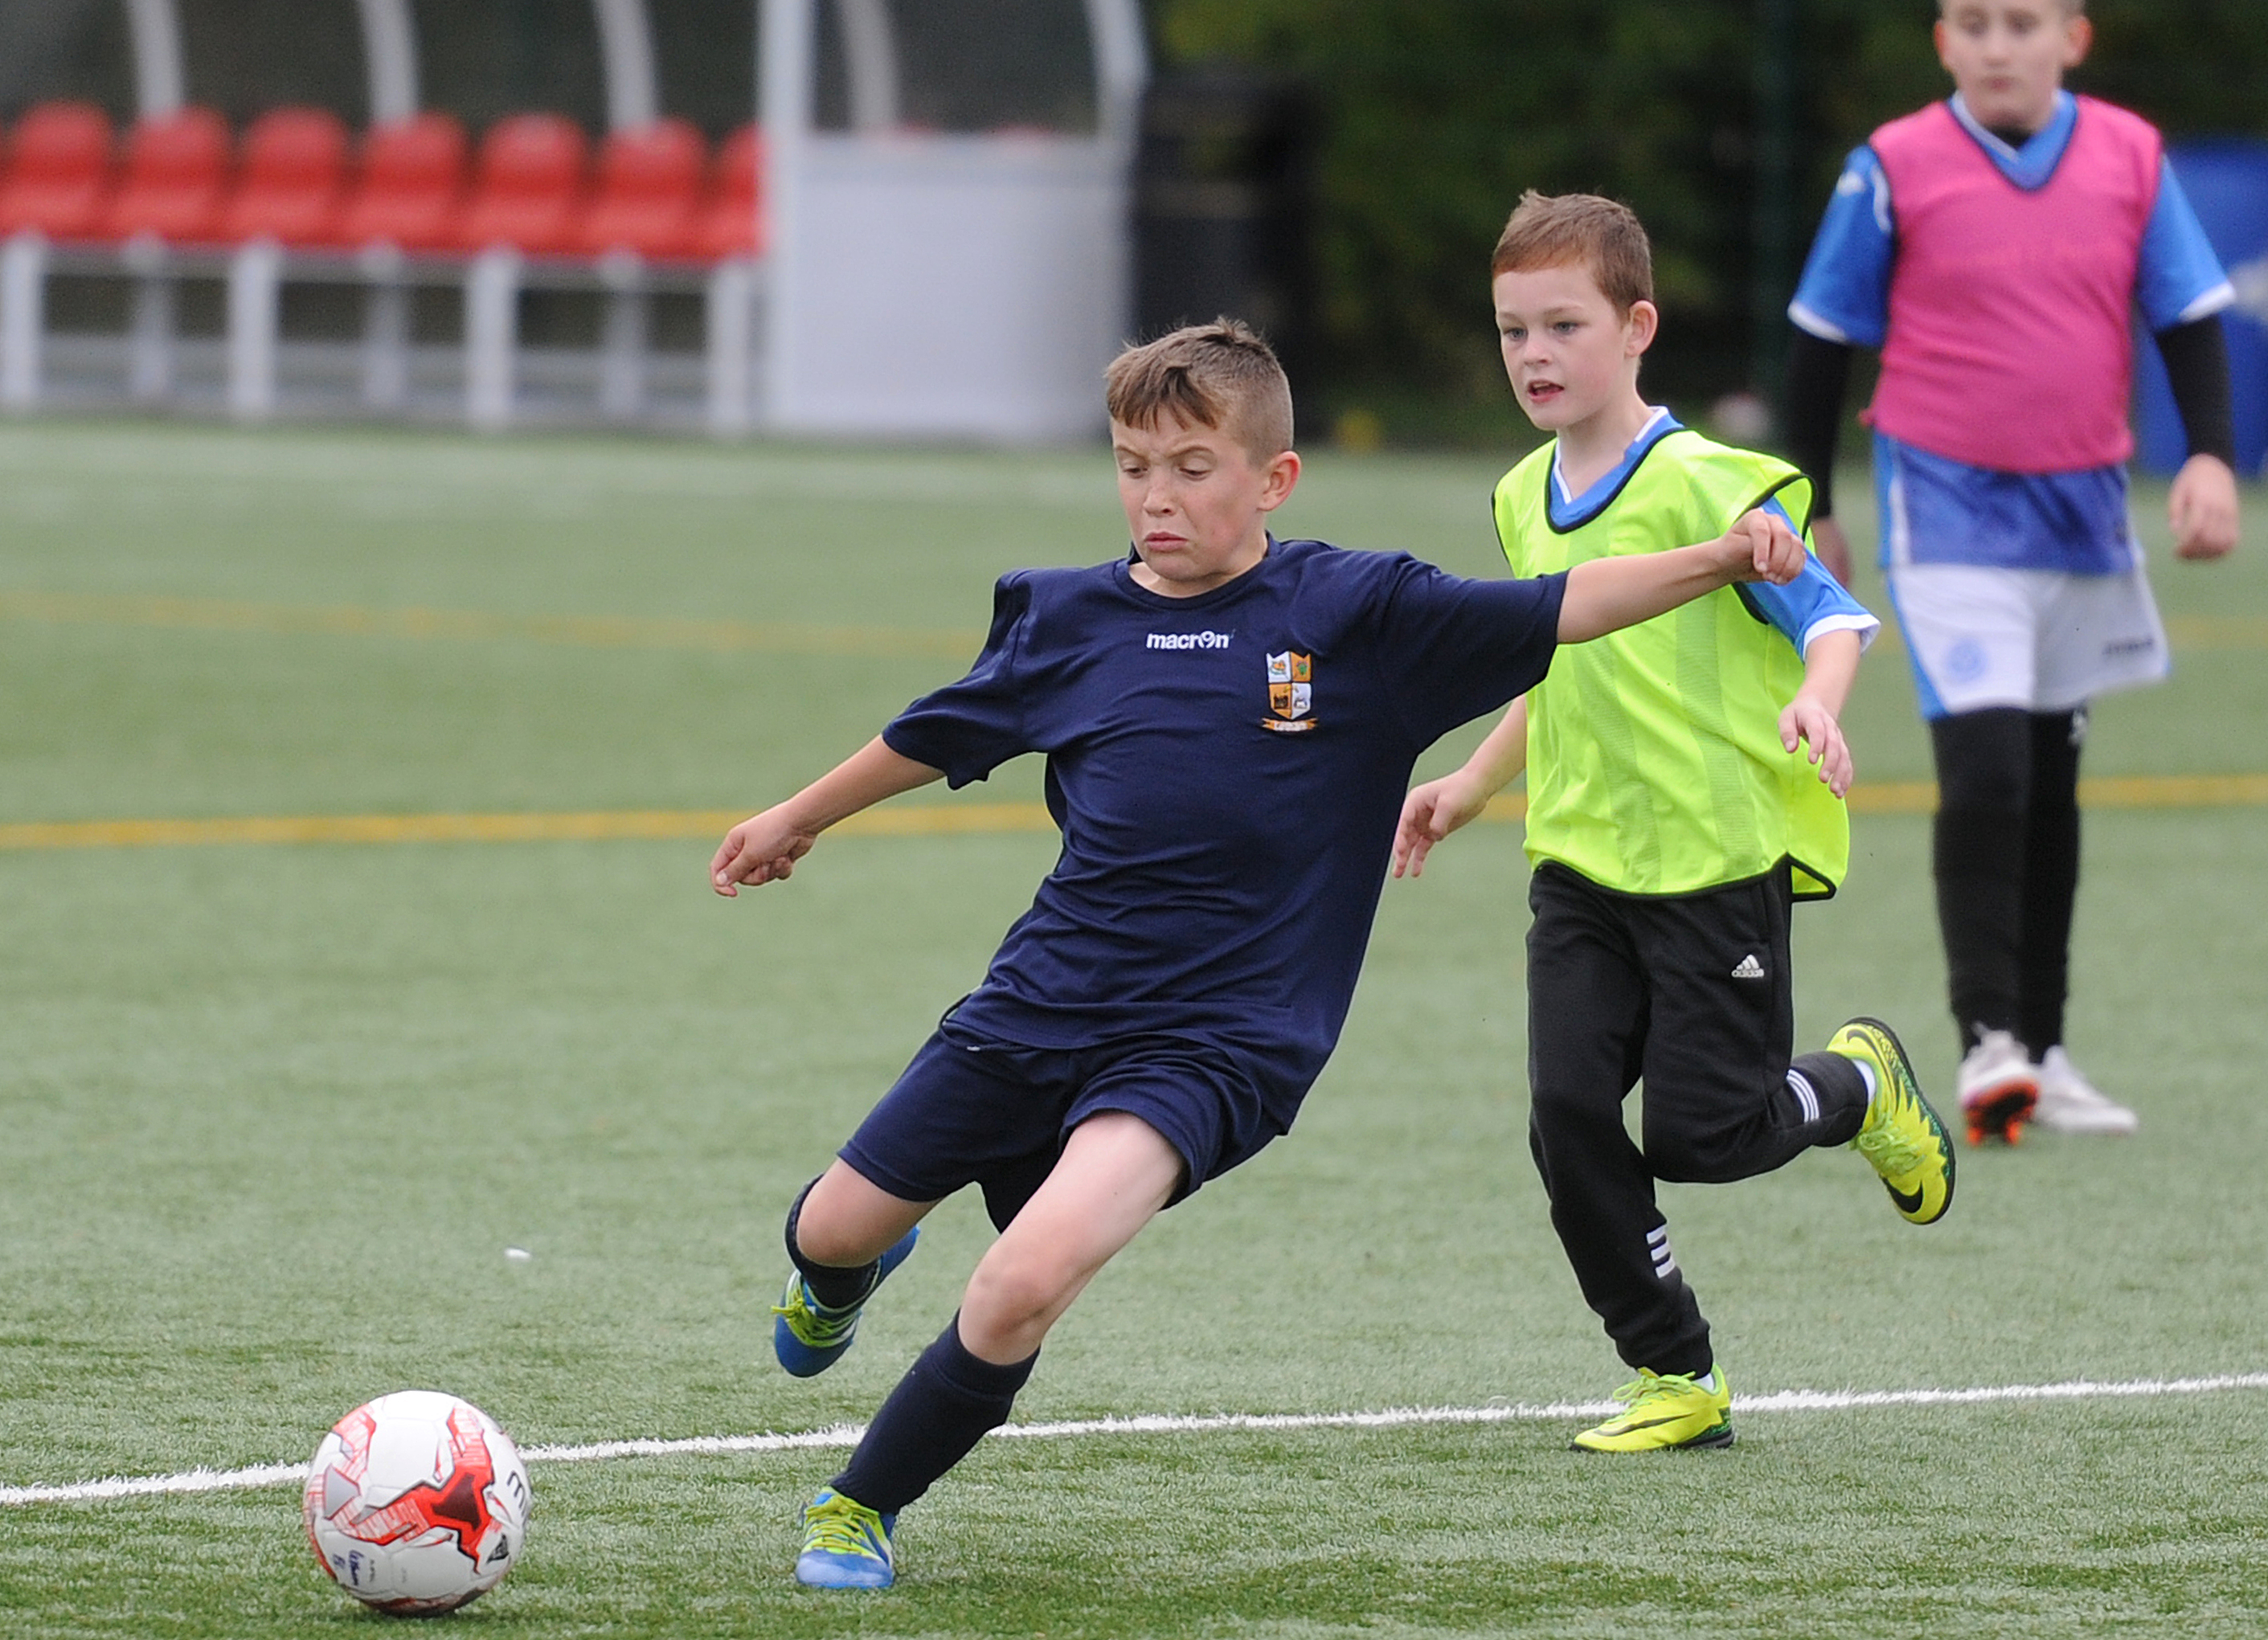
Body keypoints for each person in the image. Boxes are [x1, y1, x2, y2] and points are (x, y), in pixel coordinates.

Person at [709, 319, 1813, 1589]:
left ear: (1271, 479)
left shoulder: (1358, 614)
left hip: (1217, 1047)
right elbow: (937, 730)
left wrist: (1725, 555)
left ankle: (858, 1506)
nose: (1155, 498)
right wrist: (798, 817)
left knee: (1025, 1278)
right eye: (1132, 466)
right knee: (839, 1229)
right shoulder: (1066, 616)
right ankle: (843, 1272)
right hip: (1039, 1002)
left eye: (1190, 467)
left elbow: (1563, 606)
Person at [1392, 191, 1955, 1455]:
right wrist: (1473, 784)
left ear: (1636, 326)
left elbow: (1832, 614)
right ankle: (1672, 1371)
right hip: (1579, 864)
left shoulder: (1715, 484)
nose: (1533, 355)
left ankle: (1858, 1086)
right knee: (1568, 1116)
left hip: (1711, 865)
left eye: (1562, 326)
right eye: (1510, 331)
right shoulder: (1517, 496)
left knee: (1706, 1137)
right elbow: (1563, 667)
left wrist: (1816, 701)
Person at [1781, 0, 2242, 1143]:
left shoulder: (2131, 159)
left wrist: (2207, 454)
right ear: (1943, 40)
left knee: (2051, 784)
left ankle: (2041, 1043)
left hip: (2082, 518)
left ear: (2069, 38)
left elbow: (2188, 315)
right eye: (1973, 26)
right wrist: (1809, 500)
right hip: (1945, 510)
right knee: (1984, 769)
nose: (1997, 48)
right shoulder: (1892, 164)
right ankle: (1989, 1039)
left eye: (2021, 24)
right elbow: (1820, 341)